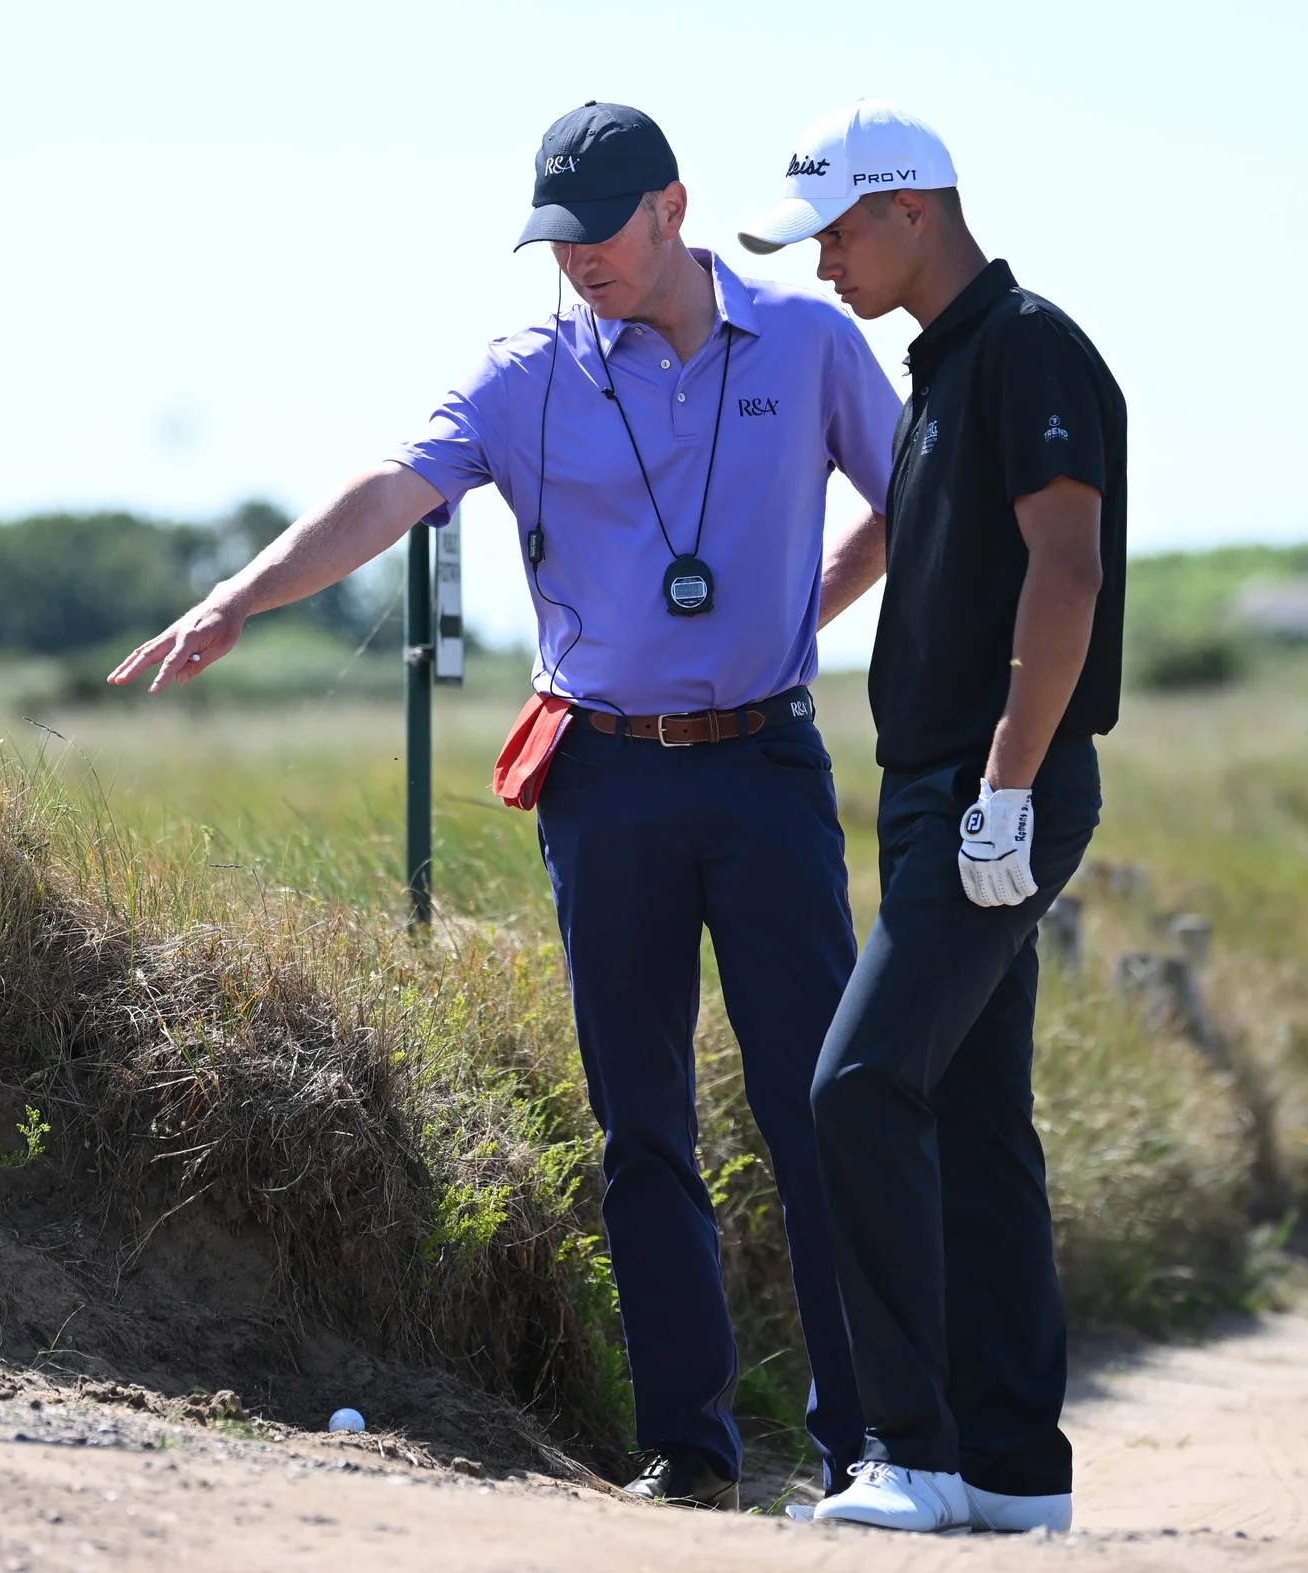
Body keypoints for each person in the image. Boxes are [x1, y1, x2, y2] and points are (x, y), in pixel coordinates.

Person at [110, 102, 901, 1510]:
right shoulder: (525, 374)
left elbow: (915, 496)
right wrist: (240, 598)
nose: (576, 261)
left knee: (812, 1107)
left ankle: (865, 1448)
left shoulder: (809, 342)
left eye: (598, 233)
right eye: (555, 240)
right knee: (640, 1124)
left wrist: (811, 607)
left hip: (767, 770)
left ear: (670, 207)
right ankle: (692, 1452)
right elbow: (391, 491)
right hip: (600, 778)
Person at [738, 99, 1127, 1534]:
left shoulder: (1028, 348)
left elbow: (1066, 573)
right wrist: (786, 627)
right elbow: (903, 530)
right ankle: (1014, 1471)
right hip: (944, 794)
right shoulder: (947, 369)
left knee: (858, 1089)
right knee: (972, 1119)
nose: (821, 261)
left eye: (835, 231)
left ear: (911, 208)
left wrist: (1007, 791)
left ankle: (909, 1447)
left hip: (991, 790)